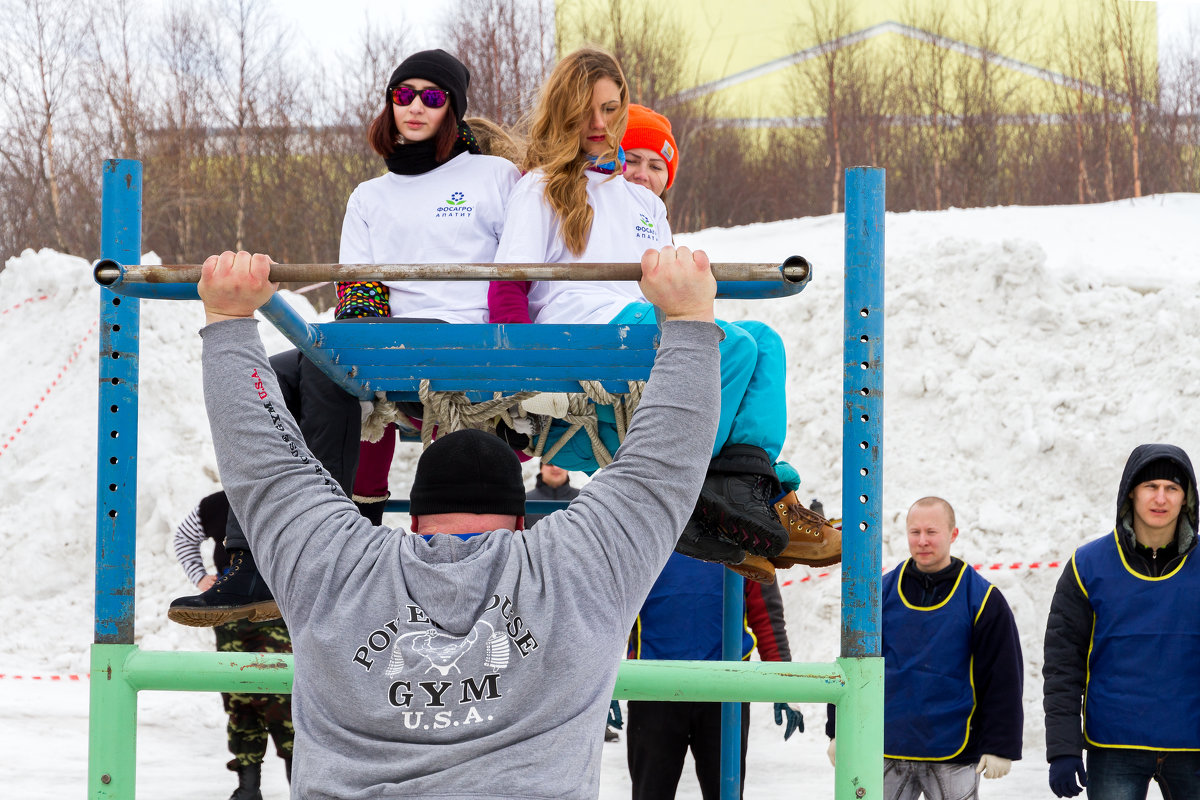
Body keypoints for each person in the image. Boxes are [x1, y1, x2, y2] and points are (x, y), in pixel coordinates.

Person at [193, 243, 722, 797]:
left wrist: (228, 322)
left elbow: (265, 467)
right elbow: (661, 467)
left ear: (415, 522)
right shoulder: (573, 566)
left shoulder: (339, 566)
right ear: (522, 525)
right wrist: (688, 320)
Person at [168, 49, 521, 625]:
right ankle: (245, 559)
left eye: (431, 97)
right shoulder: (369, 196)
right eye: (402, 94)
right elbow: (360, 292)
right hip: (387, 340)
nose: (413, 107)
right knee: (266, 381)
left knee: (323, 363)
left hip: (464, 339)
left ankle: (315, 544)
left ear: (452, 107)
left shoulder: (493, 177)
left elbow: (525, 263)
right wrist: (345, 339)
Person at [488, 58, 823, 574]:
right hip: (582, 332)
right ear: (564, 110)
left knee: (764, 342)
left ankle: (750, 486)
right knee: (730, 347)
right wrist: (512, 374)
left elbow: (666, 292)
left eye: (610, 109)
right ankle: (685, 496)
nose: (600, 124)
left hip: (638, 323)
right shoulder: (544, 186)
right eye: (586, 110)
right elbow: (509, 284)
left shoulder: (645, 205)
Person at [826, 497, 1023, 799]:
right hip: (886, 748)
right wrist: (840, 730)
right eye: (914, 532)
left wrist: (1000, 745)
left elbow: (1003, 677)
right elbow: (852, 662)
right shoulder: (879, 594)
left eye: (932, 532)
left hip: (953, 752)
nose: (922, 541)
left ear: (953, 534)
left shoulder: (982, 600)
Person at [1043, 444, 1200, 799]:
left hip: (1193, 745)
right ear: (1132, 490)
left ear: (1185, 497)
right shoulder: (1088, 566)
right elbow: (1063, 665)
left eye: (1172, 488)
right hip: (1115, 746)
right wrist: (1064, 748)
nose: (1161, 498)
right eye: (1151, 486)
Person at [624, 550, 802, 799]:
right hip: (654, 687)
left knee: (725, 794)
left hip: (725, 689)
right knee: (650, 793)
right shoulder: (647, 537)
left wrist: (785, 685)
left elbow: (766, 614)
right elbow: (612, 612)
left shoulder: (741, 538)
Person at [172, 490, 294, 800]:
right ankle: (247, 788)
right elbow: (184, 537)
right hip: (232, 612)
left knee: (285, 699)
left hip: (279, 608)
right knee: (240, 696)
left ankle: (302, 784)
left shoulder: (289, 492)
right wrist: (201, 579)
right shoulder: (217, 503)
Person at [523, 460, 580, 526]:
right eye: (549, 463)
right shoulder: (525, 500)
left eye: (560, 463)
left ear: (567, 469)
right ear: (541, 468)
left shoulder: (582, 499)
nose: (555, 468)